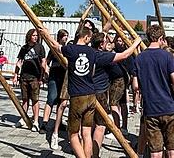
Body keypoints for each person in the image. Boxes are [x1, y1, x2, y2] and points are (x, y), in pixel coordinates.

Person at [44, 24, 139, 158]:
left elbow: (55, 46)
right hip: (91, 96)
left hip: (77, 97)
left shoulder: (70, 49)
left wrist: (46, 33)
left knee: (73, 134)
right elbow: (124, 55)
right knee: (87, 132)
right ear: (87, 37)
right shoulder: (94, 53)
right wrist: (136, 42)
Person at [133, 24, 174, 158]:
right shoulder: (167, 57)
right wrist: (168, 88)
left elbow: (135, 86)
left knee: (155, 151)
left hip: (151, 108)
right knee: (173, 149)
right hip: (168, 107)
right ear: (161, 38)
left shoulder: (139, 58)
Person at [14, 28, 47, 131]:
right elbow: (19, 62)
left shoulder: (40, 47)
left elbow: (43, 62)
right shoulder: (24, 48)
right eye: (33, 35)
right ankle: (23, 118)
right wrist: (15, 75)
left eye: (37, 36)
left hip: (35, 77)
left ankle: (36, 121)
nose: (35, 37)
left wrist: (42, 76)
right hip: (24, 76)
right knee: (24, 99)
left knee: (35, 100)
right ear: (29, 36)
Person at [43, 29, 70, 150]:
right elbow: (46, 61)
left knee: (61, 101)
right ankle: (44, 122)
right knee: (51, 98)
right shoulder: (53, 48)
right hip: (54, 75)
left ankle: (58, 124)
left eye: (67, 36)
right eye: (64, 36)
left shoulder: (67, 49)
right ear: (60, 37)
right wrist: (46, 71)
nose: (66, 38)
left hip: (64, 77)